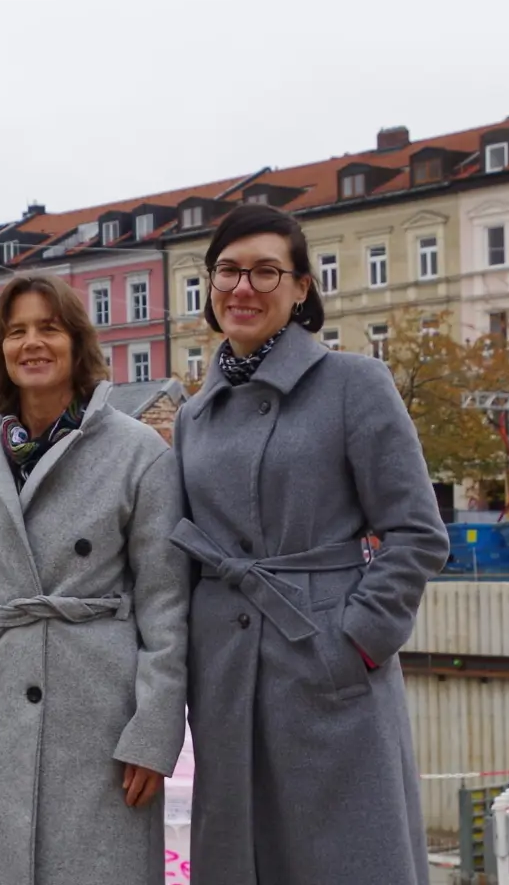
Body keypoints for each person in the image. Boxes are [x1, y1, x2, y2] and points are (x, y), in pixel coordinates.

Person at [169, 203, 450, 885]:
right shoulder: (193, 414)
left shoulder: (353, 383)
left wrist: (356, 639)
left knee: (344, 859)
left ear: (301, 289)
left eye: (266, 271)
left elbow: (416, 530)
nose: (243, 287)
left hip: (323, 666)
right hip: (229, 677)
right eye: (228, 270)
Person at [0, 274, 190, 885]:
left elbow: (166, 603)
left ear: (76, 342)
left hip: (101, 714)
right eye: (16, 331)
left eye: (48, 328)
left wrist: (154, 733)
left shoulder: (139, 452)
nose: (32, 343)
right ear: (1, 348)